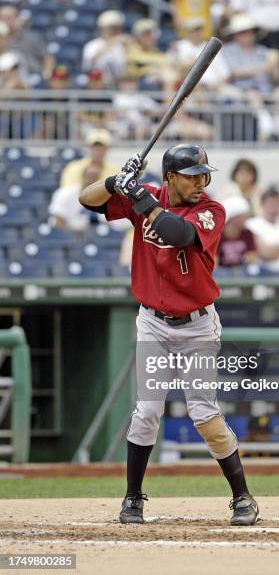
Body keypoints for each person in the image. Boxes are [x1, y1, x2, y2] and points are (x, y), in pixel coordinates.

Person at [78, 143, 259, 526]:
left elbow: (177, 233)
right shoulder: (148, 196)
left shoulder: (212, 210)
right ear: (171, 177)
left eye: (203, 174)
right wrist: (115, 181)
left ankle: (242, 497)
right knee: (146, 412)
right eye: (192, 175)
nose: (200, 181)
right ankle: (132, 499)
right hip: (153, 323)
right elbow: (87, 199)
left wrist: (138, 194)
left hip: (197, 326)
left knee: (204, 414)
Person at [0, 5, 54, 79]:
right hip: (6, 78)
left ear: (17, 19)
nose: (6, 21)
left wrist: (47, 71)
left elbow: (48, 58)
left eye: (9, 18)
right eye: (2, 18)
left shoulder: (31, 37)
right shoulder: (1, 41)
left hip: (32, 75)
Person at [82, 10, 131, 87]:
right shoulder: (93, 45)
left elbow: (129, 68)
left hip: (119, 86)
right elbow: (90, 63)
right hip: (97, 87)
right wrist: (110, 44)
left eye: (118, 28)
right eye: (112, 28)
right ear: (102, 28)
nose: (116, 31)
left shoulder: (122, 46)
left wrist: (130, 47)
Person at [49, 164, 104, 232]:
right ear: (83, 176)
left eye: (95, 177)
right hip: (66, 234)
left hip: (91, 236)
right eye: (90, 176)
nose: (92, 180)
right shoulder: (65, 193)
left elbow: (105, 223)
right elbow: (58, 219)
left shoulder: (104, 198)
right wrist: (71, 237)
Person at [216, 196, 258, 269]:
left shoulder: (248, 233)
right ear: (234, 217)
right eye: (243, 215)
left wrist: (248, 259)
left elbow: (252, 258)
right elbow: (214, 263)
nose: (246, 218)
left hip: (242, 274)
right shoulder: (217, 235)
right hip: (222, 275)